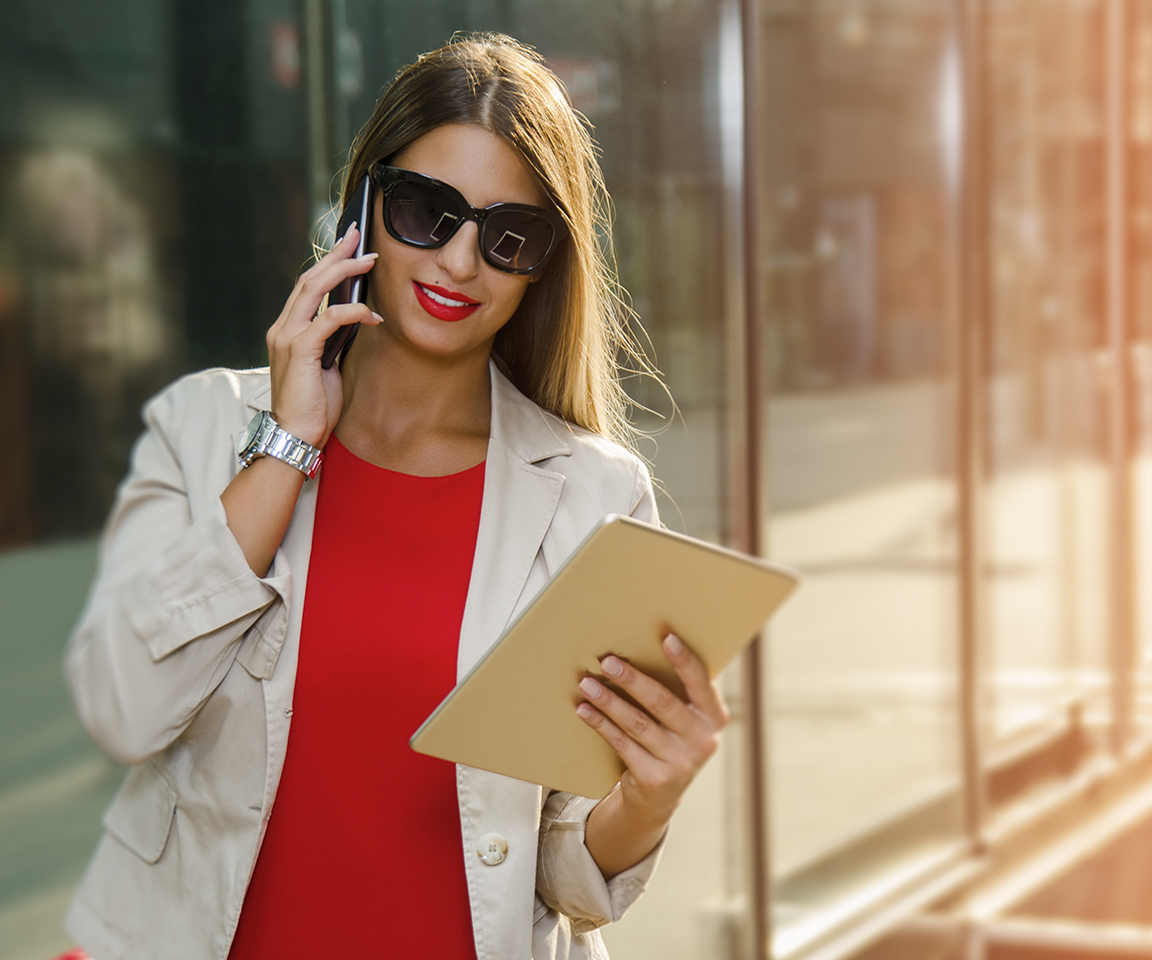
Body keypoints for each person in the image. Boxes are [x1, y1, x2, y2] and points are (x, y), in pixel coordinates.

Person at [61, 33, 726, 960]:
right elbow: (123, 708)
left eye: (508, 235)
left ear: (543, 265)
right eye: (427, 210)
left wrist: (651, 794)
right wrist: (287, 449)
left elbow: (569, 880)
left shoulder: (591, 494)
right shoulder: (204, 426)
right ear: (366, 205)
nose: (460, 262)